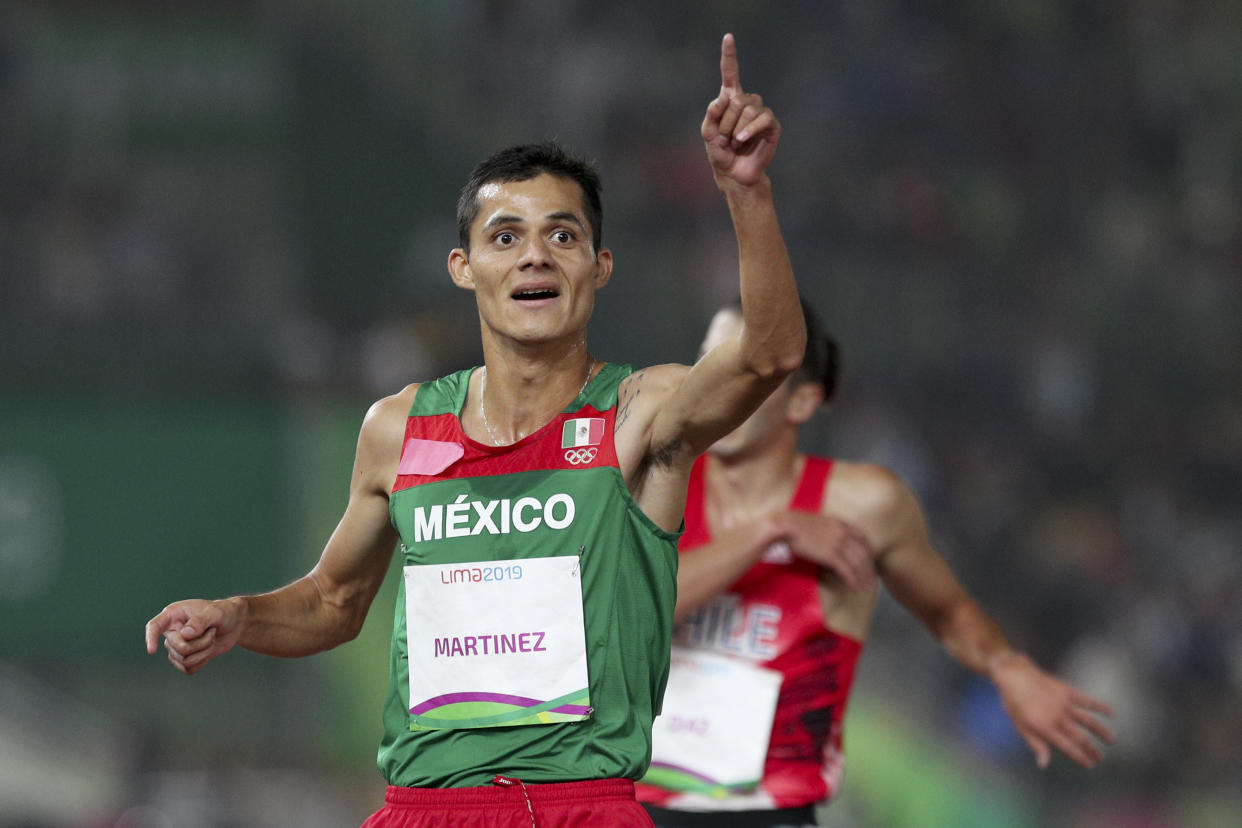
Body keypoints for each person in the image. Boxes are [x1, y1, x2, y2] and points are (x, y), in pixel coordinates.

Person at [144, 34, 805, 828]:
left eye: (562, 236)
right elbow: (334, 599)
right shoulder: (398, 426)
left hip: (579, 807)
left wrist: (746, 193)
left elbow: (768, 355)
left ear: (599, 267)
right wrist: (241, 616)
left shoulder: (639, 413)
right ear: (464, 267)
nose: (535, 257)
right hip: (425, 811)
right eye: (505, 237)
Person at [636, 301, 1116, 828]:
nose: (722, 388)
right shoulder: (655, 485)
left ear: (802, 402)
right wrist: (771, 530)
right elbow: (641, 610)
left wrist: (1007, 666)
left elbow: (947, 610)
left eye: (751, 373)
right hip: (642, 805)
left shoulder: (864, 505)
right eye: (710, 365)